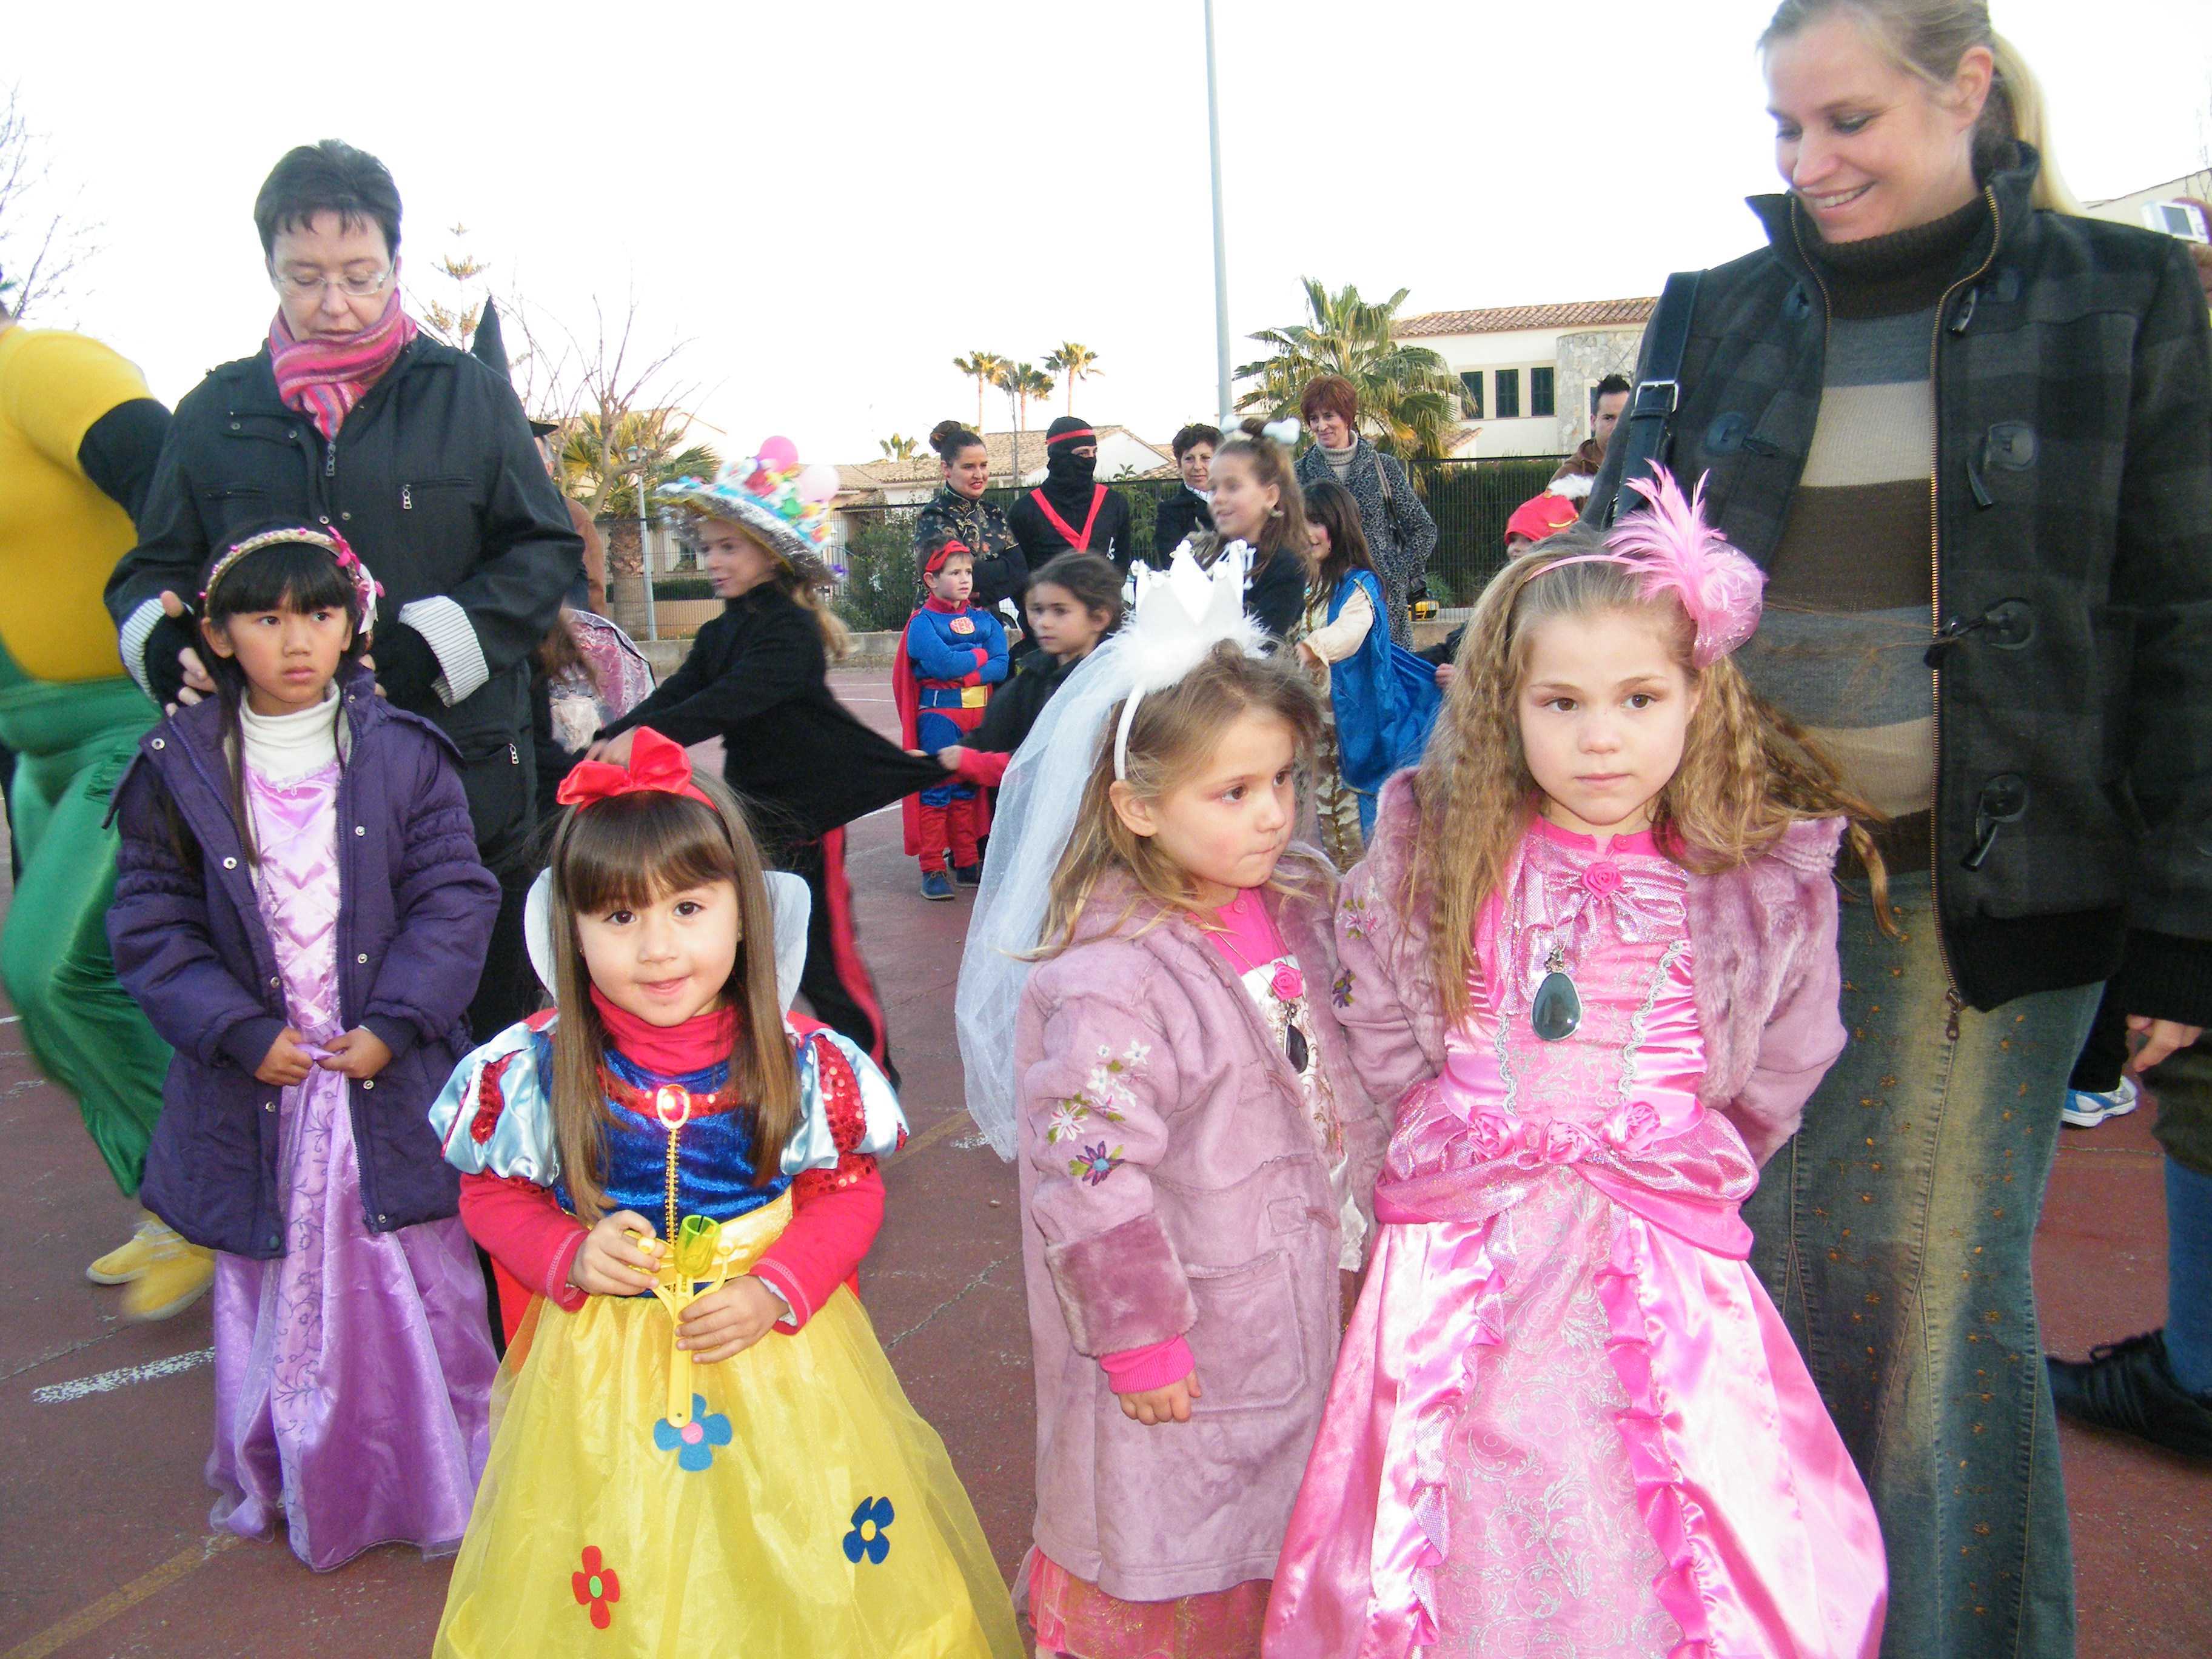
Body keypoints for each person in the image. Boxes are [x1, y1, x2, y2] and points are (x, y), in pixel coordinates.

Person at [1579, 6, 2212, 1654]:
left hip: (1979, 897)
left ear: (1966, 88)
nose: (1811, 163)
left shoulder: (2125, 295)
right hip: (1723, 894)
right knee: (1762, 1283)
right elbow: (1608, 593)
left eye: (1847, 120)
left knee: (1930, 1304)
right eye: (1785, 129)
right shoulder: (1716, 310)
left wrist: (2186, 929)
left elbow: (2194, 622)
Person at [1265, 476, 1886, 1657]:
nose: (1601, 736)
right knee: (1468, 1489)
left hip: (1658, 1240)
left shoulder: (1748, 881)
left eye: (1638, 698)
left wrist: (1691, 1146)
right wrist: (1434, 1111)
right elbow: (1377, 993)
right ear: (1508, 707)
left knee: (1662, 1490)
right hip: (1468, 1239)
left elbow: (1791, 1049)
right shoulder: (1442, 846)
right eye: (1561, 702)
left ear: (1697, 696)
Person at [426, 732, 1020, 1657]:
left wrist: (778, 1286)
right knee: (625, 1551)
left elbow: (847, 1195)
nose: (658, 948)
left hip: (773, 1355)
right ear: (569, 931)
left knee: (797, 1537)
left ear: (745, 912)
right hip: (606, 1375)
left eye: (689, 907)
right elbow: (491, 1197)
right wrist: (567, 1252)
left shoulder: (799, 1061)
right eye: (618, 917)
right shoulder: (538, 1068)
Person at [955, 549, 1386, 1659]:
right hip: (1195, 1333)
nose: (1271, 813)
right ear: (1137, 806)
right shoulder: (1115, 980)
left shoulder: (1296, 901)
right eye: (1232, 793)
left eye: (1282, 779)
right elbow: (1087, 1176)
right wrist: (1141, 1339)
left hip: (1310, 1285)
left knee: (1293, 1523)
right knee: (1182, 1538)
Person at [105, 139, 578, 1047]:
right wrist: (159, 645)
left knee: (478, 1041)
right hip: (271, 803)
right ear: (269, 269)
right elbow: (148, 570)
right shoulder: (214, 414)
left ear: (396, 263)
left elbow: (545, 550)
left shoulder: (470, 397)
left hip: (462, 780)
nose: (334, 303)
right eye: (306, 277)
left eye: (360, 277)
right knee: (310, 1049)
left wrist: (434, 644)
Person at [107, 526, 501, 1569]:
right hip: (261, 1088)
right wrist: (240, 1032)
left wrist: (396, 1022)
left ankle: (447, 1466)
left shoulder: (406, 753)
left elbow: (455, 899)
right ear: (217, 634)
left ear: (353, 626)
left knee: (425, 1280)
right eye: (265, 618)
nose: (295, 641)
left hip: (386, 1076)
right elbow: (151, 924)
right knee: (278, 1286)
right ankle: (303, 1470)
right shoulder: (177, 767)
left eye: (320, 615)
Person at [592, 455, 946, 1088]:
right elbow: (680, 693)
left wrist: (644, 737)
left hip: (808, 817)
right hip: (751, 815)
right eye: (708, 548)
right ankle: (745, 1075)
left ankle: (874, 1079)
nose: (713, 561)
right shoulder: (722, 631)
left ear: (771, 554)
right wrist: (610, 737)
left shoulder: (790, 631)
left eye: (729, 547)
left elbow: (729, 700)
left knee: (825, 960)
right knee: (746, 946)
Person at [0, 297, 192, 1315]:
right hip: (36, 752)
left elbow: (168, 468)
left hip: (130, 721)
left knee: (50, 968)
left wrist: (195, 627)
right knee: (64, 1012)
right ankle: (173, 1203)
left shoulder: (39, 368)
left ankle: (209, 1199)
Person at [1293, 480, 1440, 865]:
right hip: (1307, 723)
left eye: (1316, 522)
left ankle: (1362, 885)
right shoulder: (1295, 584)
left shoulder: (1359, 583)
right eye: (1298, 522)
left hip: (1351, 719)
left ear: (1339, 526)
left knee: (1353, 812)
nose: (1306, 533)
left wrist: (1311, 649)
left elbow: (1351, 632)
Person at [933, 551, 1124, 794]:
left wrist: (971, 763)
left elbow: (1052, 765)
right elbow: (992, 735)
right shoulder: (1035, 676)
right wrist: (933, 764)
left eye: (1060, 611)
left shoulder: (1109, 686)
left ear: (1099, 618)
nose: (1044, 622)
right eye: (1038, 610)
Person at [894, 541, 1008, 899]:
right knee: (937, 789)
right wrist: (980, 656)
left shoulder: (984, 619)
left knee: (967, 788)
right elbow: (944, 665)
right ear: (931, 580)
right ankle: (932, 867)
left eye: (968, 572)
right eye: (955, 572)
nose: (964, 579)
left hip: (978, 717)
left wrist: (965, 668)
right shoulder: (922, 623)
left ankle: (967, 861)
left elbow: (1002, 665)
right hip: (940, 717)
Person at [1292, 376, 1437, 647]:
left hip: (1383, 604)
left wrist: (1394, 574)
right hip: (1323, 604)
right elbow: (1288, 535)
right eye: (1313, 419)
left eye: (1329, 416)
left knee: (1384, 670)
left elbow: (1423, 529)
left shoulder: (1384, 468)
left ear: (1348, 416)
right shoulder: (1298, 473)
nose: (1321, 426)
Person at [1182, 420, 1312, 643]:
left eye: (1232, 487)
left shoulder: (1286, 565)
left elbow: (1263, 644)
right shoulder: (1203, 555)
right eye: (1214, 488)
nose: (1218, 498)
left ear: (1270, 496)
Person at [916, 421, 1027, 637]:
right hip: (942, 631)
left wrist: (983, 589)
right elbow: (952, 574)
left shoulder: (993, 514)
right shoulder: (935, 516)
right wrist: (998, 571)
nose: (979, 474)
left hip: (989, 628)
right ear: (946, 469)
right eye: (969, 467)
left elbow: (1020, 570)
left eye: (983, 466)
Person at [1009, 415, 1136, 576]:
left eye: (1094, 452)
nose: (1091, 459)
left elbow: (1121, 562)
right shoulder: (1025, 511)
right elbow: (1018, 572)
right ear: (1060, 456)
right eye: (1083, 453)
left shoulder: (1113, 503)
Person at [1150, 422, 1219, 553]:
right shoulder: (1170, 512)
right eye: (1189, 459)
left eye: (1205, 458)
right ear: (1179, 465)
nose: (1197, 467)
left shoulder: (1238, 501)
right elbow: (1170, 559)